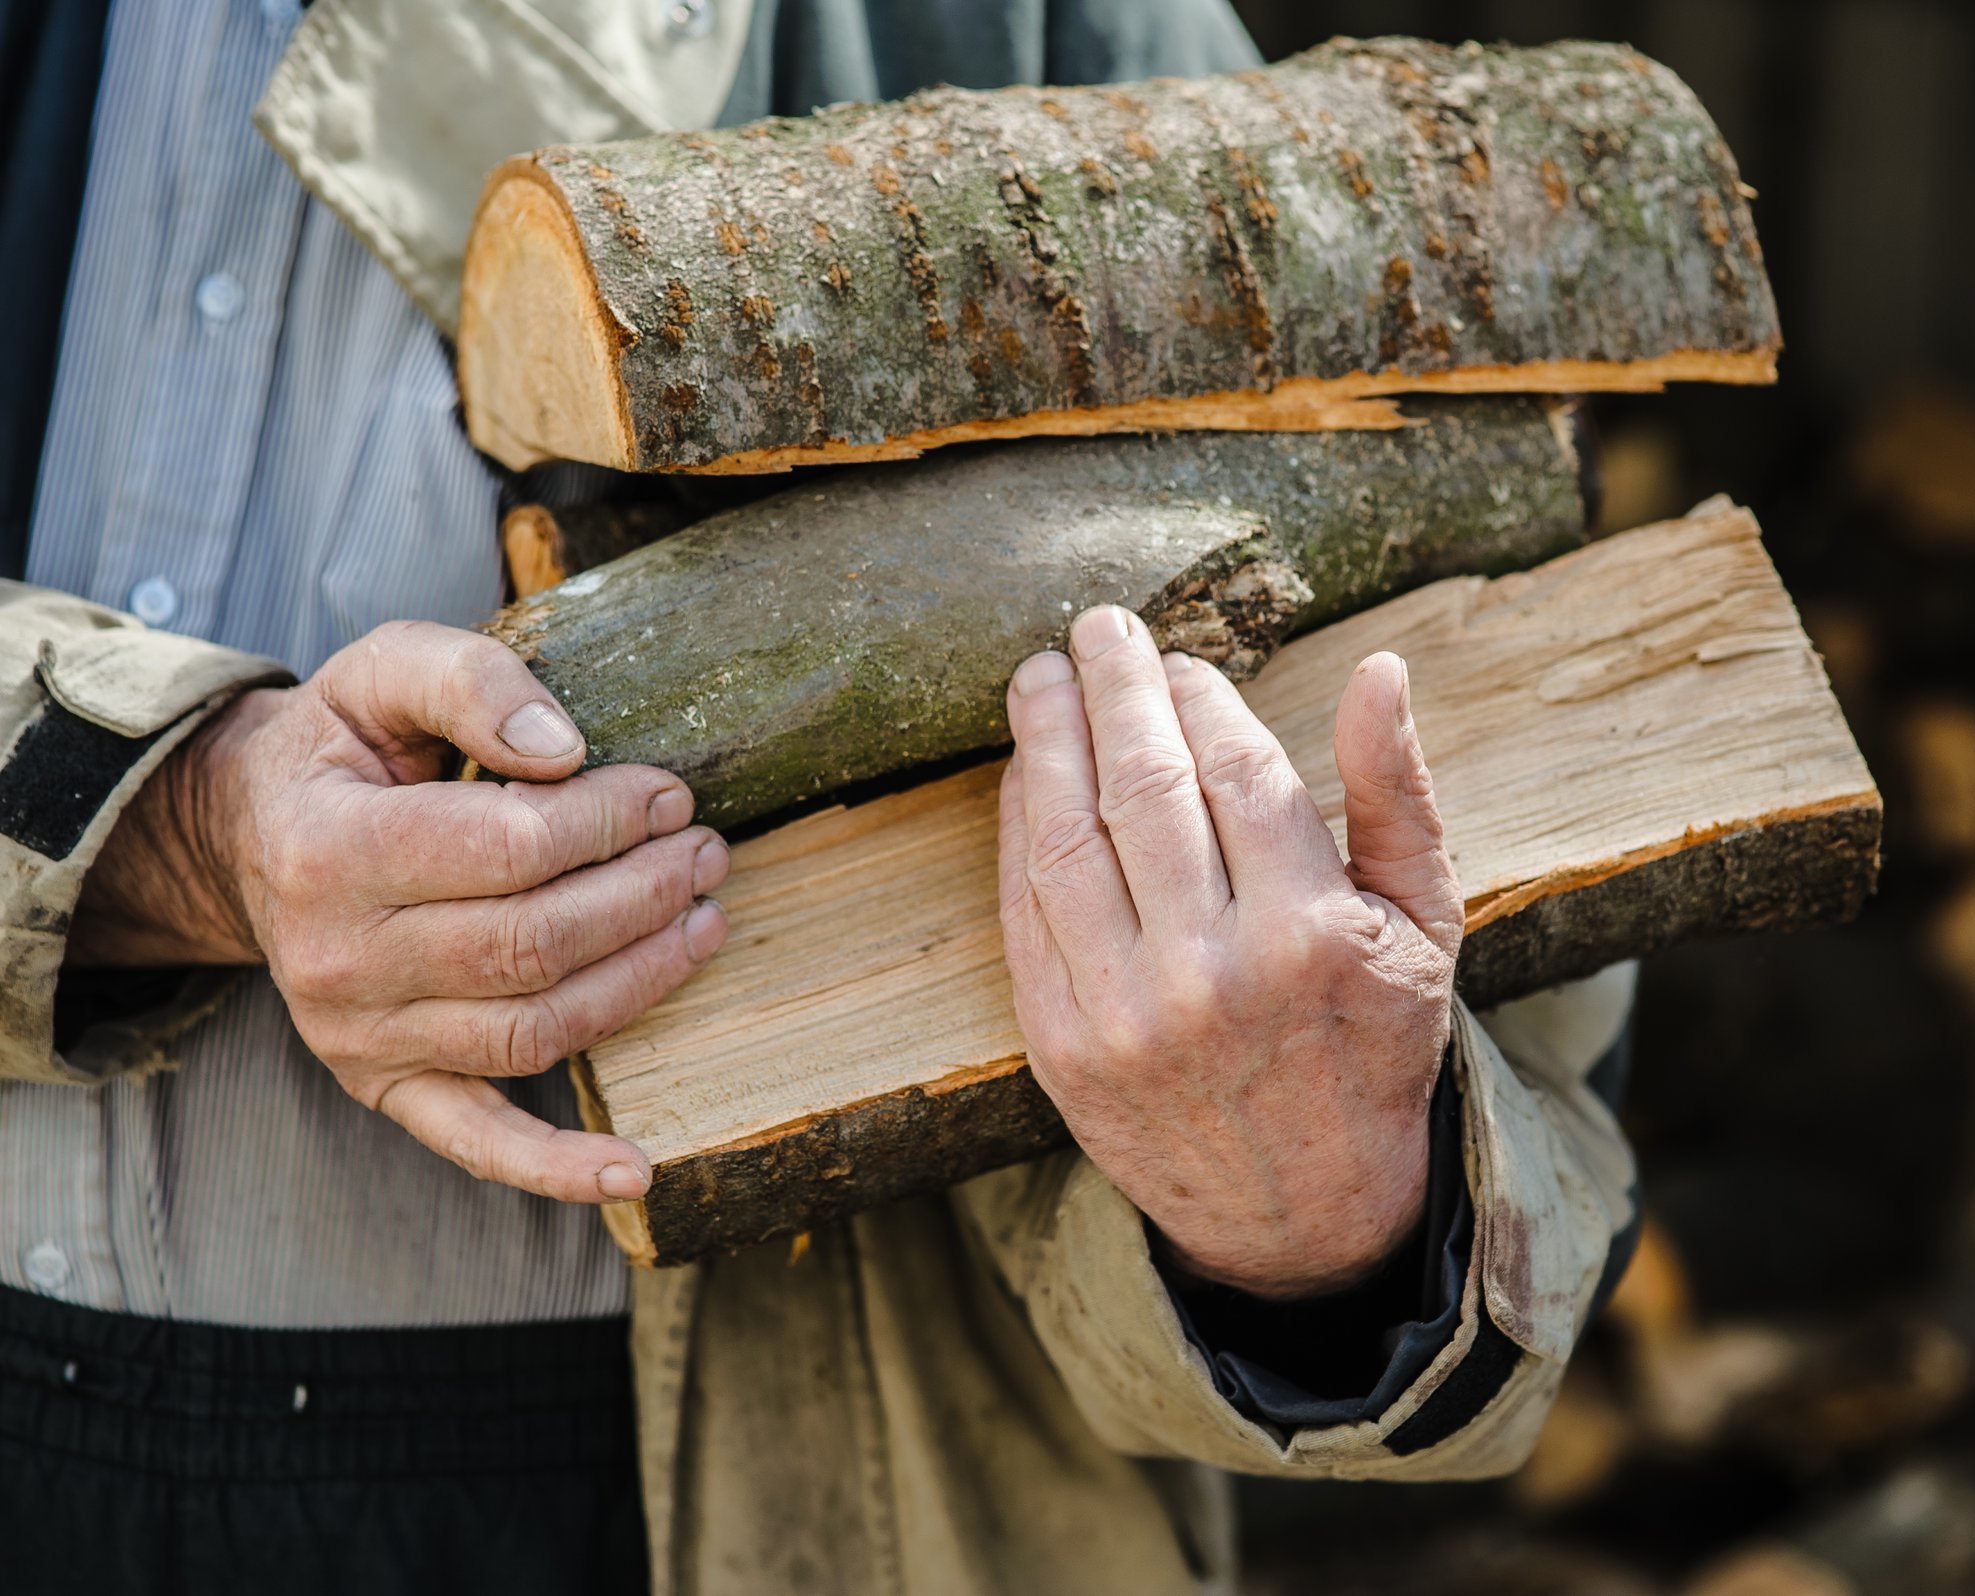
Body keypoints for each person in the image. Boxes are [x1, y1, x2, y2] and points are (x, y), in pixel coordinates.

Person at [0, 2, 1643, 1591]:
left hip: (758, 1507)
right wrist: (176, 816)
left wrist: (1329, 1230)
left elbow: (1487, 1037)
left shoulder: (1032, 24)